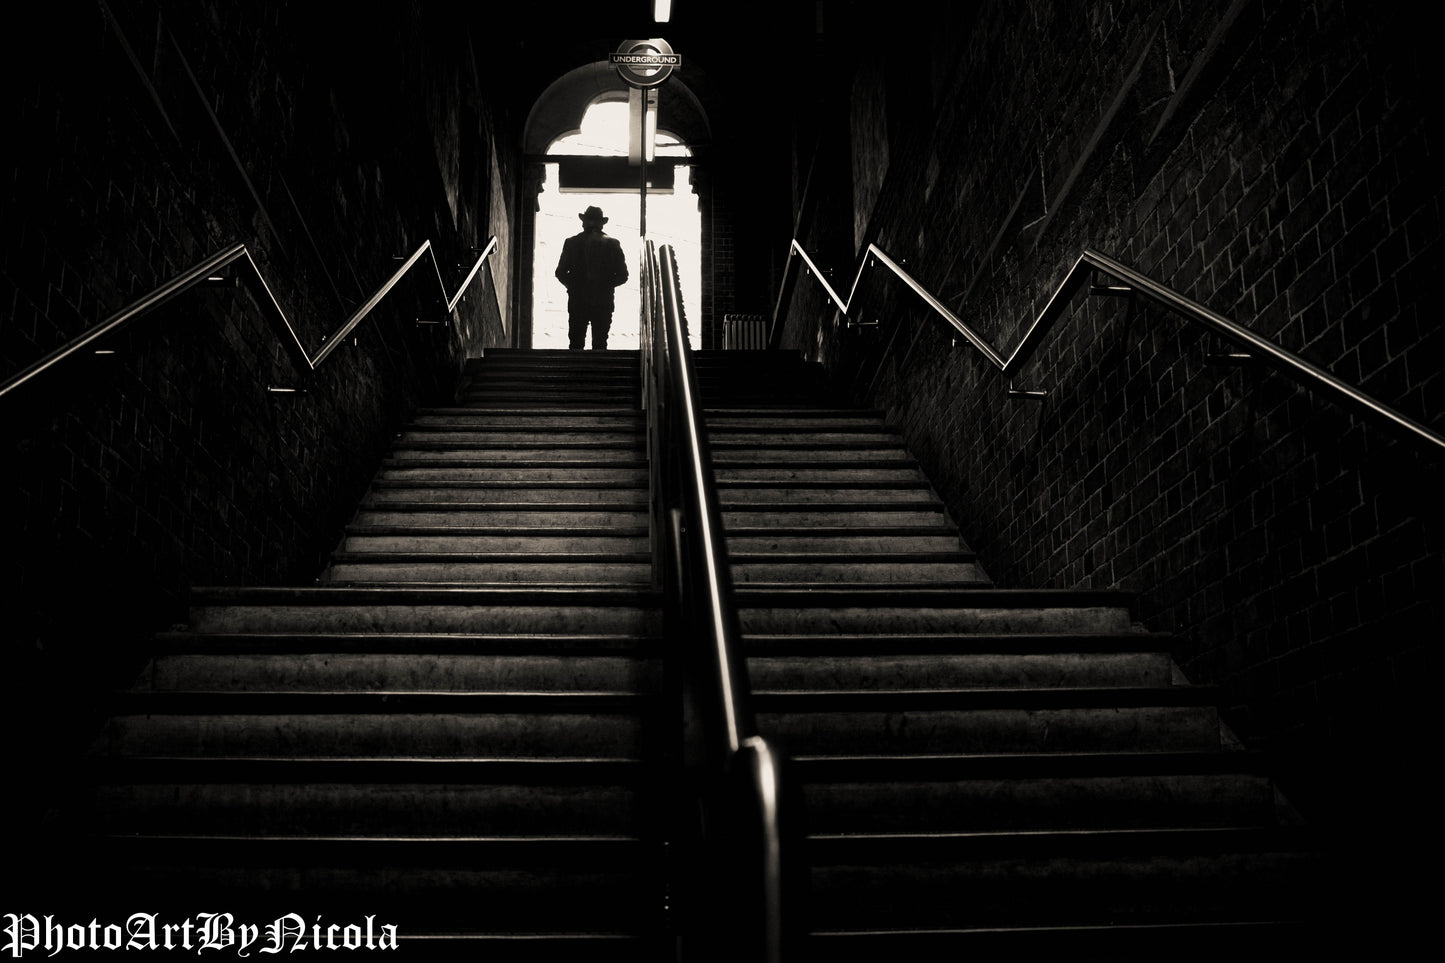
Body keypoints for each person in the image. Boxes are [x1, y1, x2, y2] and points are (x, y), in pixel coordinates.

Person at [554, 206, 629, 350]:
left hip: (577, 299)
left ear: (584, 222)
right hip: (603, 300)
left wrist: (573, 285)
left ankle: (574, 371)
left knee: (576, 343)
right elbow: (623, 275)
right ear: (602, 223)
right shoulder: (613, 244)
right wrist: (606, 284)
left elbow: (560, 272)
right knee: (600, 343)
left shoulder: (571, 242)